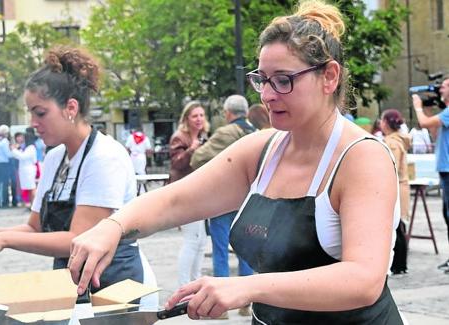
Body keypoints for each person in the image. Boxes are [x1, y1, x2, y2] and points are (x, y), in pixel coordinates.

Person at [69, 1, 404, 323]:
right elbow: (174, 199)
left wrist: (245, 287)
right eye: (262, 79)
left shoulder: (362, 158)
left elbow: (363, 279)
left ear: (329, 76)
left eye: (284, 80)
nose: (268, 95)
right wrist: (112, 227)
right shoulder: (261, 151)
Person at [0, 46, 158, 308]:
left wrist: (3, 240)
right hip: (71, 283)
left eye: (40, 113)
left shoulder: (104, 157)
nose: (33, 122)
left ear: (70, 107)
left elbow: (78, 238)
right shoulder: (54, 157)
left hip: (117, 288)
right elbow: (35, 227)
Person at [189, 94, 255, 319]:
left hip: (224, 201)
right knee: (246, 251)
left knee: (220, 249)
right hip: (249, 201)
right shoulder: (255, 131)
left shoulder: (226, 132)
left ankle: (221, 306)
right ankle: (247, 302)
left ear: (228, 113)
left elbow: (197, 158)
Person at [168, 100, 209, 287]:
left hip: (199, 193)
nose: (199, 119)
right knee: (191, 241)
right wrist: (191, 149)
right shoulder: (180, 137)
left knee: (200, 242)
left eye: (201, 115)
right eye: (195, 116)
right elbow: (176, 164)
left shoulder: (203, 136)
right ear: (186, 118)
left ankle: (195, 281)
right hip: (184, 193)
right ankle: (185, 285)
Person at [412, 76, 449, 273]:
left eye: (444, 86)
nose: (440, 89)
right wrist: (426, 108)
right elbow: (433, 130)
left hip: (448, 169)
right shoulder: (445, 113)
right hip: (444, 169)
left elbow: (424, 123)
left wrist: (418, 106)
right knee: (446, 214)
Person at [380, 109, 411, 274]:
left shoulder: (392, 142)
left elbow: (391, 167)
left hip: (396, 186)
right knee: (399, 226)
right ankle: (400, 263)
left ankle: (399, 264)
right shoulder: (397, 139)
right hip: (400, 185)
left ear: (386, 123)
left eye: (382, 120)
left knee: (397, 227)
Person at [11, 131, 37, 208]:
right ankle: (32, 204)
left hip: (29, 170)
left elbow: (23, 157)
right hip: (25, 170)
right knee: (29, 189)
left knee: (32, 188)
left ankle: (35, 205)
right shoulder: (26, 148)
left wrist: (14, 150)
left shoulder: (31, 147)